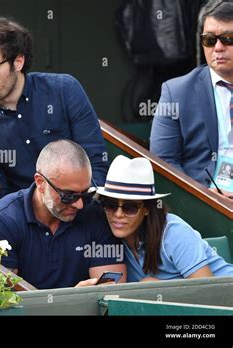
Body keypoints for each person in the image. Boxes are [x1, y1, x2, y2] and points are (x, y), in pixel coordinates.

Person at [0, 17, 109, 198]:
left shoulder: (64, 90)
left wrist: (78, 203)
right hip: (23, 218)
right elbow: (1, 194)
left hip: (78, 205)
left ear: (18, 62)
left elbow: (96, 163)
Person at [0, 140, 126, 289]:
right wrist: (73, 301)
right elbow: (7, 302)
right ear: (40, 182)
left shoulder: (95, 214)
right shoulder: (0, 221)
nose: (79, 204)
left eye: (86, 194)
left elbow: (112, 294)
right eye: (68, 195)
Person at [97, 155, 233, 282]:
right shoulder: (105, 236)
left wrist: (157, 289)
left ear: (147, 209)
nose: (118, 214)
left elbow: (208, 293)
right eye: (110, 205)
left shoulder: (174, 232)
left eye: (130, 207)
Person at [150, 0, 233, 198]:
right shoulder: (175, 92)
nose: (218, 47)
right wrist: (205, 196)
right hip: (203, 205)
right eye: (210, 40)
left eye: (228, 38)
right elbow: (163, 161)